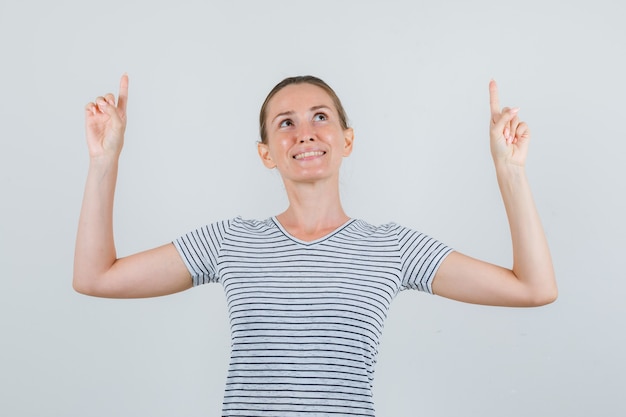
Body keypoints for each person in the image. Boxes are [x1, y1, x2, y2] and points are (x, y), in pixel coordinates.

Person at [74, 74, 557, 416]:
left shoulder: (391, 249)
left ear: (346, 140)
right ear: (266, 153)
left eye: (320, 117)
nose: (304, 131)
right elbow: (96, 277)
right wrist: (104, 160)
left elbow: (533, 288)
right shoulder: (230, 241)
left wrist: (510, 172)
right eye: (285, 122)